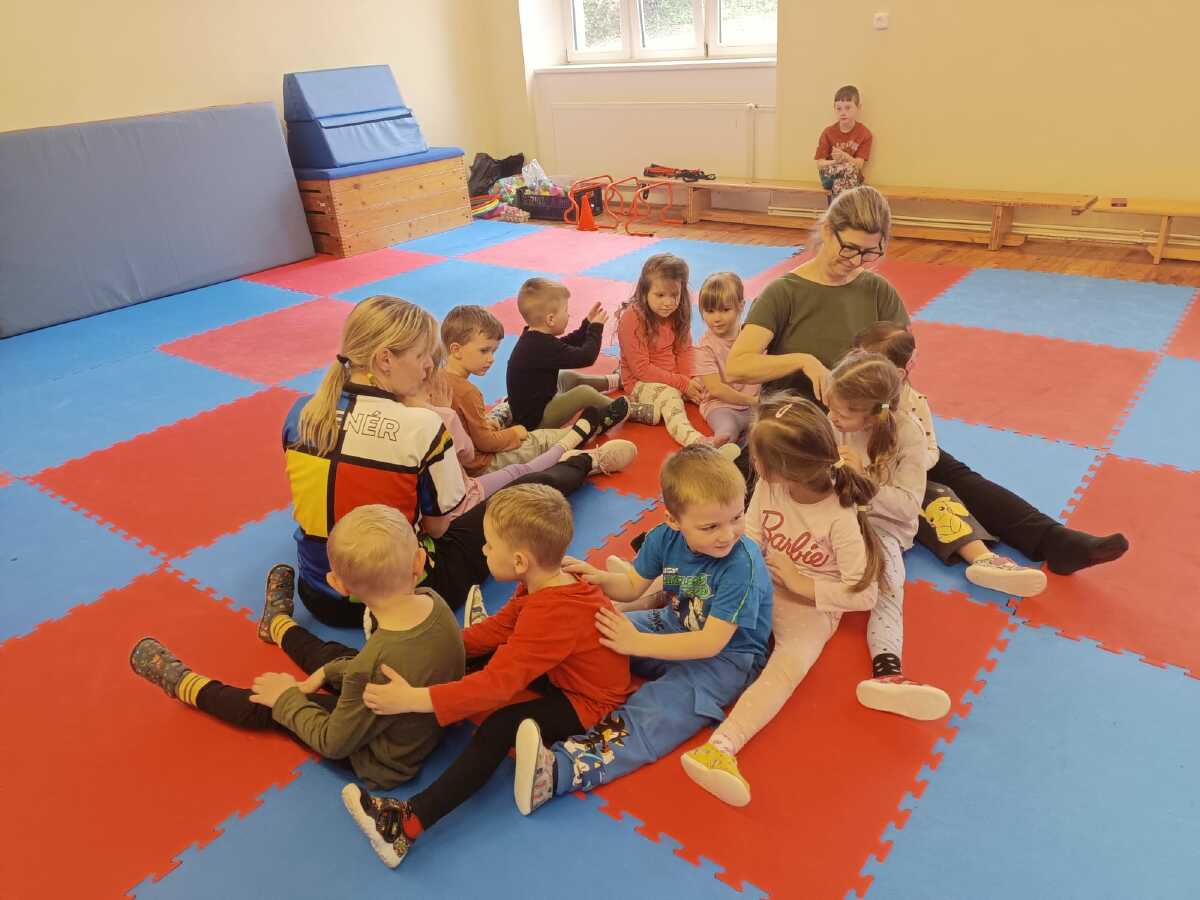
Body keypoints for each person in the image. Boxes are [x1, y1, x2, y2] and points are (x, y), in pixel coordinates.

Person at [725, 186, 1129, 577]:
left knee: (947, 470)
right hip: (803, 423)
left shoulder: (877, 291)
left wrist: (895, 411)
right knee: (739, 493)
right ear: (827, 231)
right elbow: (738, 365)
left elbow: (899, 360)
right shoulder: (785, 292)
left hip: (866, 418)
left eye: (870, 252)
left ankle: (1055, 541)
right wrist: (803, 361)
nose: (857, 260)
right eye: (850, 248)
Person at [339, 484, 632, 869]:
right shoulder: (543, 581)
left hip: (587, 701)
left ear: (520, 560)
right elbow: (501, 629)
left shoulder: (551, 614)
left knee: (499, 725)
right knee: (477, 661)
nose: (483, 550)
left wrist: (413, 699)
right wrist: (434, 643)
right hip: (562, 668)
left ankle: (405, 826)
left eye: (490, 545)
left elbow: (495, 686)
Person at [283, 295, 595, 624]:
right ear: (385, 359)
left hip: (319, 596)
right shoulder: (424, 425)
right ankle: (584, 459)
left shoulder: (302, 411)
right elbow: (437, 527)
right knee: (524, 490)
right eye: (422, 356)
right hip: (403, 596)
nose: (429, 367)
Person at [506, 444, 773, 817]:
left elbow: (712, 642)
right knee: (594, 633)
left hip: (727, 659)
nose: (727, 535)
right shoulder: (664, 538)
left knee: (657, 710)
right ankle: (507, 658)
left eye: (737, 518)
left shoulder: (742, 564)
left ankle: (560, 771)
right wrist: (599, 578)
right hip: (673, 622)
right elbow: (632, 586)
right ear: (673, 520)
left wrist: (637, 642)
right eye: (710, 526)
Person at [128, 505, 464, 789]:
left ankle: (187, 686)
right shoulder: (433, 602)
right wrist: (327, 672)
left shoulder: (368, 668)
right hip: (418, 717)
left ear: (338, 585)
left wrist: (286, 697)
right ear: (419, 562)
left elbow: (332, 742)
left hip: (386, 760)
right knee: (334, 656)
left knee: (268, 705)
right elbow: (379, 663)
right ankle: (278, 625)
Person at [680, 396, 888, 806]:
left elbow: (865, 593)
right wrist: (734, 569)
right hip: (761, 579)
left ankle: (721, 747)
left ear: (779, 467)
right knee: (691, 577)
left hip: (810, 607)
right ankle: (631, 590)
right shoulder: (770, 486)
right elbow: (751, 536)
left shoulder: (840, 516)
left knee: (788, 667)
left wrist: (800, 583)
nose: (751, 460)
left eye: (755, 455)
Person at [853, 322, 1051, 595]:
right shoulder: (845, 393)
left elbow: (931, 450)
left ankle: (985, 560)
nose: (856, 369)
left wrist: (910, 467)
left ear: (897, 373)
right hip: (862, 487)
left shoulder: (913, 405)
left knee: (939, 497)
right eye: (854, 358)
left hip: (899, 483)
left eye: (866, 363)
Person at [824, 351, 950, 717]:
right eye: (831, 409)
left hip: (882, 524)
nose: (833, 418)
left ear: (873, 414)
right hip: (832, 514)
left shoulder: (907, 434)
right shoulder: (833, 419)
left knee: (889, 584)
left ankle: (888, 672)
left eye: (843, 413)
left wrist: (862, 479)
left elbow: (907, 507)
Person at [442, 305, 610, 476]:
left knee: (506, 406)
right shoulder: (467, 392)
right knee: (543, 439)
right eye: (484, 351)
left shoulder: (438, 379)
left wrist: (485, 426)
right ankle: (590, 428)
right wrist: (514, 433)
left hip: (459, 457)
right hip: (481, 464)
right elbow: (486, 443)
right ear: (456, 350)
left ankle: (609, 385)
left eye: (493, 351)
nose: (491, 359)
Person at [617, 253, 740, 460]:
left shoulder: (677, 312)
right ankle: (700, 444)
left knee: (708, 384)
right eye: (660, 295)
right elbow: (641, 369)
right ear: (644, 292)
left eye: (674, 295)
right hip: (640, 381)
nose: (668, 302)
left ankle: (732, 427)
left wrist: (691, 380)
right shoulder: (632, 317)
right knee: (669, 398)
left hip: (673, 376)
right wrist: (682, 384)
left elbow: (684, 351)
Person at [505, 277, 628, 431]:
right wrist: (596, 329)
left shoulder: (534, 338)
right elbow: (586, 357)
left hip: (541, 401)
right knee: (583, 393)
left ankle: (615, 381)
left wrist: (587, 324)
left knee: (566, 377)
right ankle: (629, 410)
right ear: (550, 319)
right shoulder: (540, 346)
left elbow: (566, 344)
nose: (568, 315)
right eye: (566, 311)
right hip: (538, 420)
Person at [693, 272, 760, 449]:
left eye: (725, 310)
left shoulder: (752, 336)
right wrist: (751, 401)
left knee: (771, 431)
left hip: (754, 406)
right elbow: (716, 389)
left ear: (741, 306)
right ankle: (714, 448)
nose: (717, 318)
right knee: (728, 432)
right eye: (710, 311)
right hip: (722, 406)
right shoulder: (705, 348)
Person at [815, 85, 873, 198]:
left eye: (848, 108)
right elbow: (820, 164)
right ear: (834, 108)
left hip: (851, 177)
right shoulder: (828, 132)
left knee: (849, 171)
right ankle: (842, 206)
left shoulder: (864, 134)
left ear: (858, 108)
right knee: (847, 172)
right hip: (830, 177)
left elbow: (859, 165)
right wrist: (836, 161)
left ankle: (837, 206)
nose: (843, 112)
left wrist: (845, 157)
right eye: (839, 108)